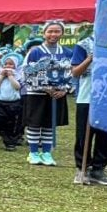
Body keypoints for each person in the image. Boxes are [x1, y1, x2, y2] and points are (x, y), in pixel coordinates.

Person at [69, 34, 107, 185]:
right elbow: (75, 72)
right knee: (84, 135)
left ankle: (98, 169)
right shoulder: (83, 44)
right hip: (87, 97)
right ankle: (82, 168)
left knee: (105, 135)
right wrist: (90, 59)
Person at [23, 21, 71, 166]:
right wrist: (44, 87)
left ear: (62, 33)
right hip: (37, 94)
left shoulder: (67, 52)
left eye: (57, 31)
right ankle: (33, 152)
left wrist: (65, 89)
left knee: (50, 124)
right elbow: (27, 72)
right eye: (50, 31)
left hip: (57, 94)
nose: (53, 34)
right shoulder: (35, 52)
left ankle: (47, 153)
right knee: (35, 124)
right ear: (44, 33)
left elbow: (73, 73)